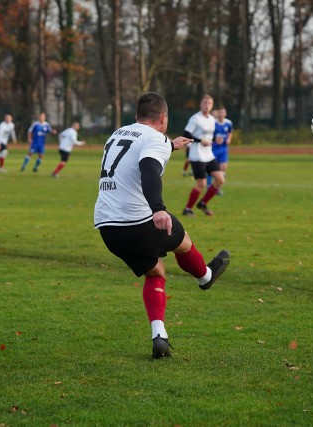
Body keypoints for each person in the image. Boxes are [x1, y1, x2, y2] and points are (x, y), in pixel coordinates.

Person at [94, 92, 230, 358]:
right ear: (164, 118)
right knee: (184, 242)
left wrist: (172, 145)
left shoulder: (118, 133)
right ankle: (205, 276)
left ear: (137, 117)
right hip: (139, 221)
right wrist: (158, 209)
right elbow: (148, 168)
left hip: (107, 227)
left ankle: (160, 337)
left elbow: (142, 148)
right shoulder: (155, 139)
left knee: (156, 272)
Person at [182, 94, 225, 216]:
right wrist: (200, 141)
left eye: (209, 103)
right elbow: (186, 134)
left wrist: (216, 139)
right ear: (201, 104)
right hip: (197, 155)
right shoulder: (195, 119)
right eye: (205, 103)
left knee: (220, 179)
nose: (207, 106)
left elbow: (210, 135)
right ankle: (187, 209)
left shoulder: (212, 119)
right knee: (202, 184)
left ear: (212, 106)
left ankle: (202, 203)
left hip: (209, 155)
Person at [207, 106, 233, 193]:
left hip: (223, 149)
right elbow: (209, 134)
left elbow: (230, 132)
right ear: (217, 114)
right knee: (212, 169)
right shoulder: (213, 123)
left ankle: (217, 187)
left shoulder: (228, 123)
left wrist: (229, 139)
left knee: (223, 167)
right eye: (220, 112)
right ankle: (209, 185)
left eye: (223, 112)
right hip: (214, 149)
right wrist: (214, 140)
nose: (221, 114)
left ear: (225, 114)